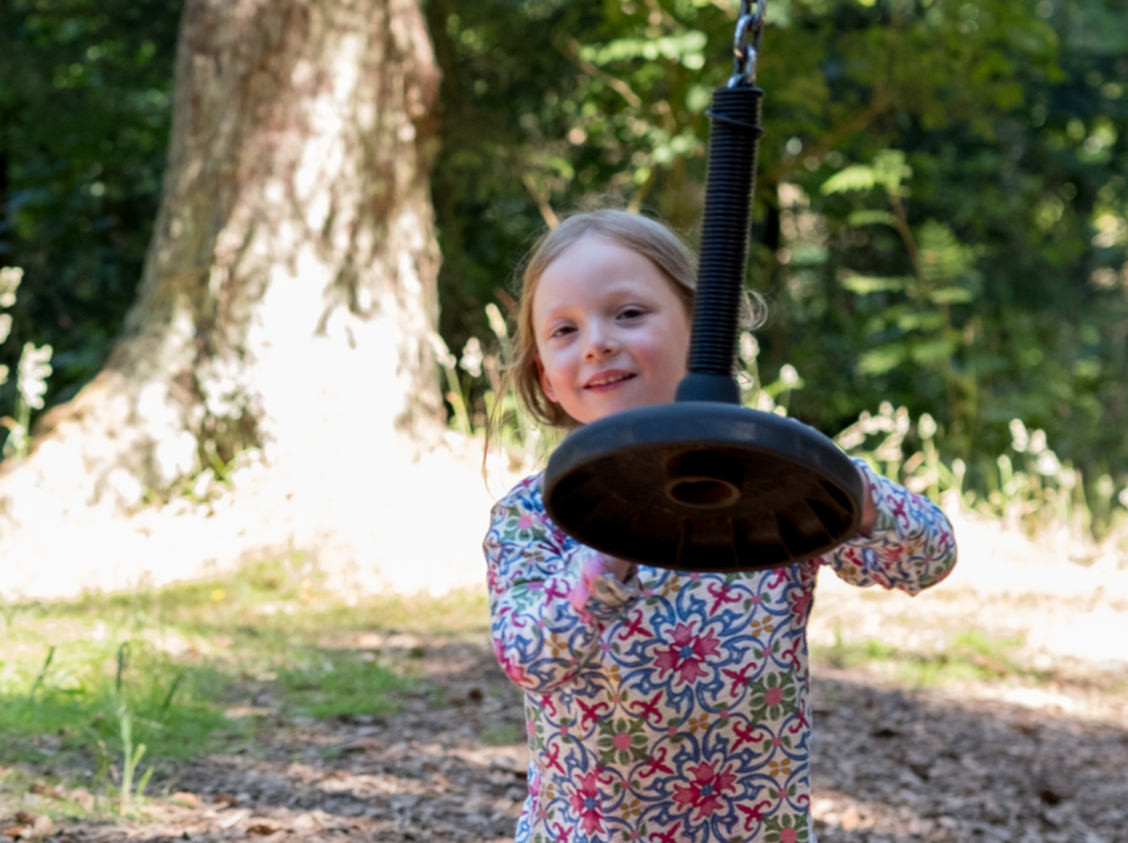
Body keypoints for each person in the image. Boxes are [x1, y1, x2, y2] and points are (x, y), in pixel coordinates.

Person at [483, 209, 957, 843]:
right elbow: (529, 657)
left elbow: (927, 557)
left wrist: (834, 483)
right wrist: (608, 546)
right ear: (546, 373)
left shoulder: (768, 479)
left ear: (704, 329)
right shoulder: (535, 515)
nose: (596, 341)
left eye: (628, 313)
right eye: (564, 329)